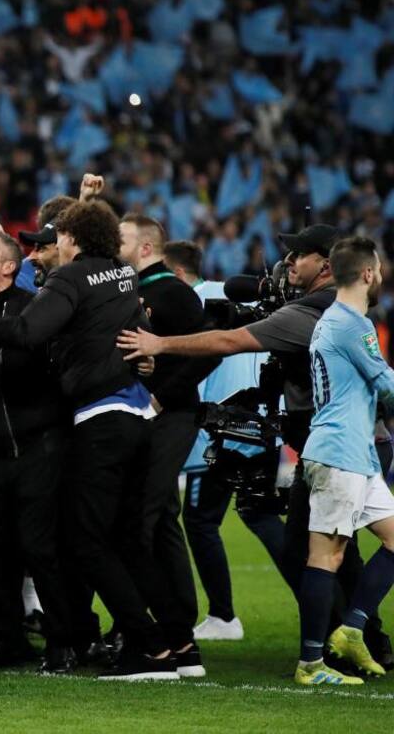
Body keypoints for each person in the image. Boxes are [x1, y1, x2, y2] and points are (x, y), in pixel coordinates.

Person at [119, 223, 393, 667]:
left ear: (325, 265)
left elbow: (228, 341)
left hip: (342, 446)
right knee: (330, 550)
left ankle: (335, 646)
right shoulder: (341, 310)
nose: (287, 264)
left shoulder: (313, 314)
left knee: (321, 553)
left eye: (296, 256)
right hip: (349, 443)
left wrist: (161, 342)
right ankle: (353, 640)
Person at [0, 200, 180, 681]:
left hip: (100, 418)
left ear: (74, 237)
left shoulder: (72, 278)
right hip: (138, 412)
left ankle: (148, 648)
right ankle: (179, 647)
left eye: (58, 234)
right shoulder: (123, 274)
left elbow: (28, 330)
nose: (52, 242)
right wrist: (144, 357)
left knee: (85, 542)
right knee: (127, 538)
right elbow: (133, 331)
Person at [0, 232, 75, 673]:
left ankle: (63, 641)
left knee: (40, 549)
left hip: (36, 448)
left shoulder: (33, 309)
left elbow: (42, 364)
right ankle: (7, 642)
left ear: (9, 266)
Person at [163, 240, 284, 642]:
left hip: (217, 432)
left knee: (199, 520)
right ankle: (320, 598)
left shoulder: (192, 305)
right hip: (262, 426)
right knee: (260, 515)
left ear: (179, 274)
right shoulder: (232, 296)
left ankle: (223, 617)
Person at [293, 236, 394, 685]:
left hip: (357, 456)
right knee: (326, 558)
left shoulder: (339, 319)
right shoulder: (352, 326)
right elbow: (387, 383)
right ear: (369, 274)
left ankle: (352, 627)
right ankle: (311, 663)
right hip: (339, 456)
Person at [118, 214, 213, 676]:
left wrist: (162, 394)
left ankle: (172, 633)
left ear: (145, 247)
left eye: (123, 238)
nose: (116, 244)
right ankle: (179, 634)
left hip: (172, 415)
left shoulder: (173, 292)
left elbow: (206, 349)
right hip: (149, 416)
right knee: (161, 522)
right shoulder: (129, 289)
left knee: (143, 517)